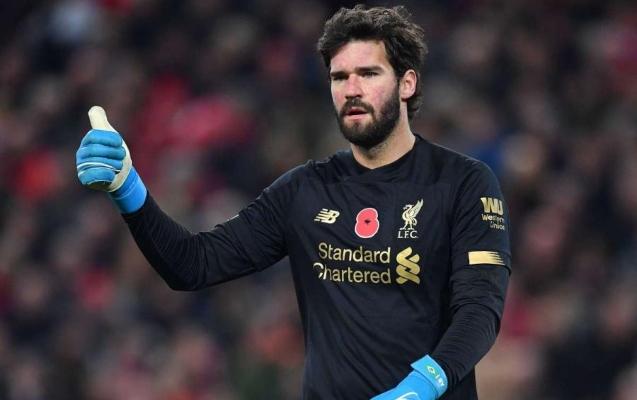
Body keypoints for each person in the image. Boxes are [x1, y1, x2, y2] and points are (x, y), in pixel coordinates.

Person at [76, 5, 510, 399]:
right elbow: (192, 264)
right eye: (339, 77)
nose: (352, 89)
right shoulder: (305, 189)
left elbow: (479, 311)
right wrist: (127, 186)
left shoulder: (463, 182)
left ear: (406, 83)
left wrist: (421, 387)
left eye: (369, 74)